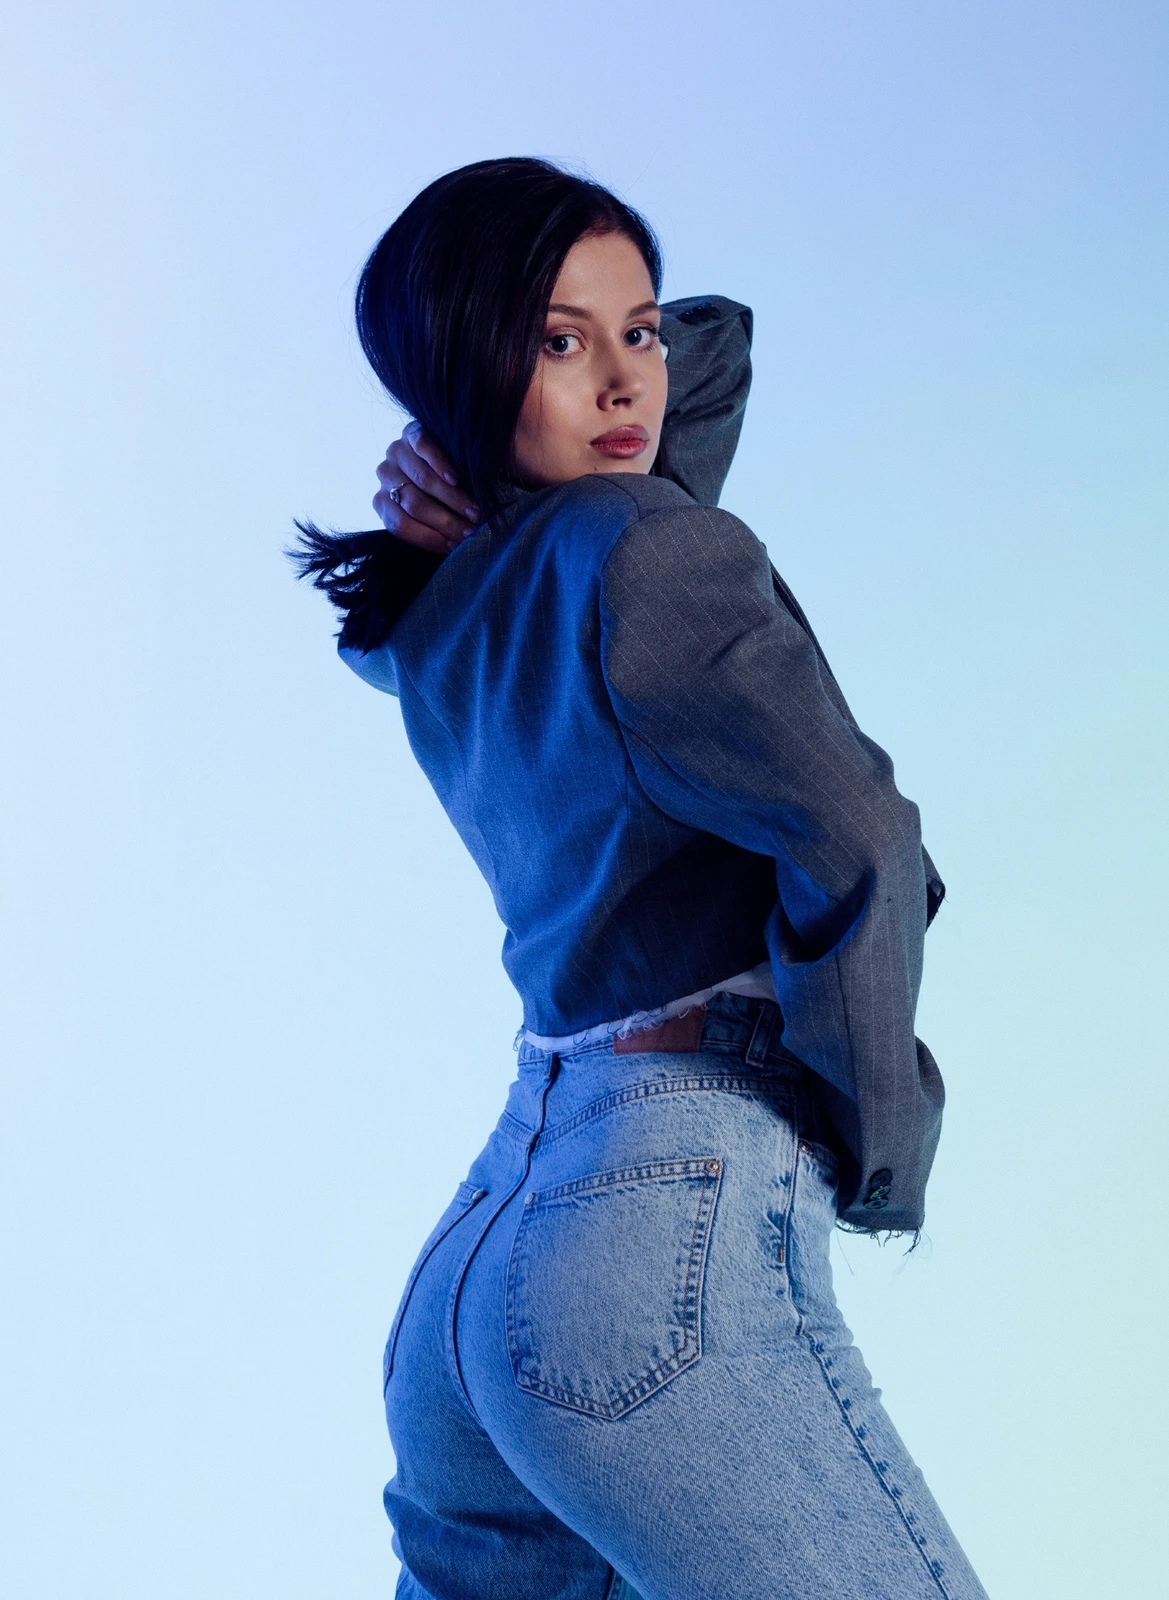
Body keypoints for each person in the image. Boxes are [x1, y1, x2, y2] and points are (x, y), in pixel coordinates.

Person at [294, 157, 987, 1600]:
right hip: (657, 1230)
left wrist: (471, 427)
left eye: (639, 331)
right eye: (560, 341)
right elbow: (862, 837)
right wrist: (883, 1138)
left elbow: (684, 376)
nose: (627, 381)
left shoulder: (431, 611)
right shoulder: (648, 546)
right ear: (472, 359)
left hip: (492, 1249)